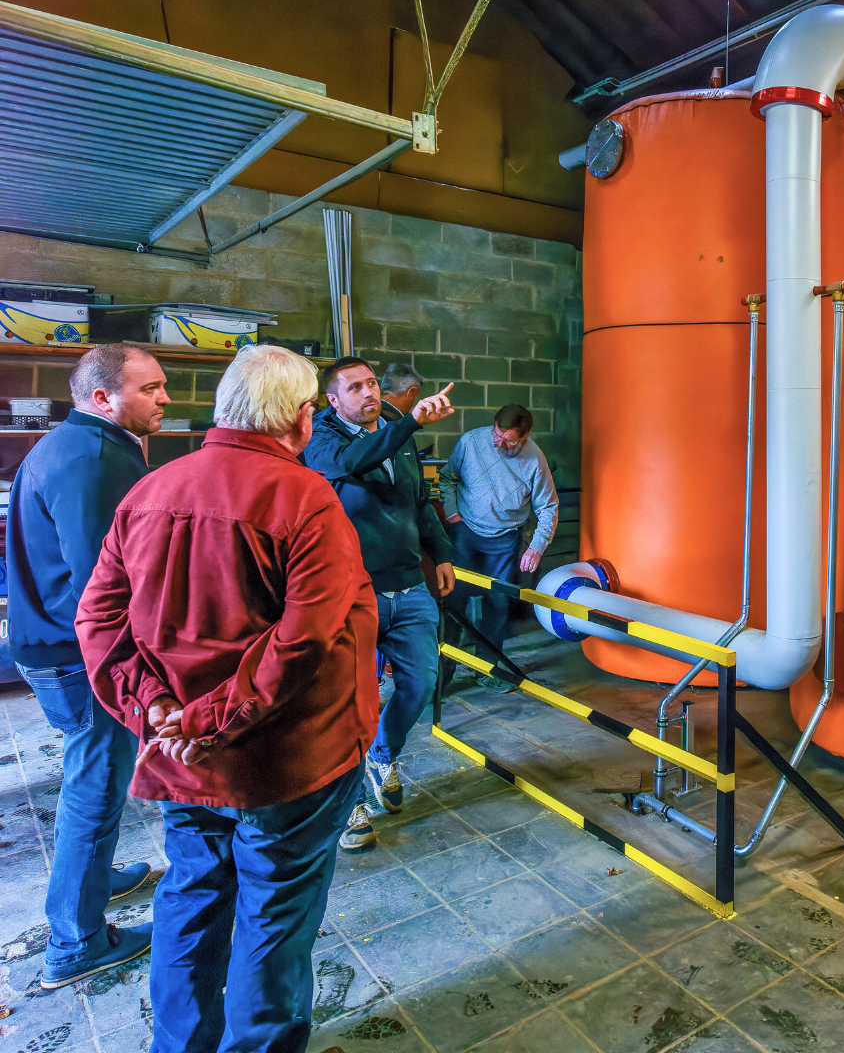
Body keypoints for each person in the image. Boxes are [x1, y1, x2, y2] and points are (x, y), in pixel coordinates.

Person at [75, 345, 379, 1053]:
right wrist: (211, 720)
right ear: (302, 419)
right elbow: (305, 639)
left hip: (183, 757)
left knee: (191, 897)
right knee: (273, 918)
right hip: (286, 761)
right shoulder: (305, 497)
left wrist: (152, 707)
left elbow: (97, 618)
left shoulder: (149, 490)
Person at [6, 342, 169, 989]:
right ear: (103, 398)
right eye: (150, 389)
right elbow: (102, 587)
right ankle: (75, 942)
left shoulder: (69, 445)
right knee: (95, 789)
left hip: (50, 643)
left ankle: (97, 879)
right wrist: (143, 671)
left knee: (96, 778)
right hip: (77, 657)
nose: (164, 399)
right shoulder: (93, 459)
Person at [302, 357, 456, 852]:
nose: (369, 393)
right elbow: (351, 463)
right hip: (353, 590)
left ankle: (382, 755)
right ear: (334, 399)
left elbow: (416, 501)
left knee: (422, 683)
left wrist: (442, 556)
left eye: (372, 383)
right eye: (355, 387)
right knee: (351, 700)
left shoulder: (396, 432)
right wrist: (411, 421)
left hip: (408, 584)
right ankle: (349, 806)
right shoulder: (321, 438)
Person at [440, 403, 559, 664]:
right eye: (497, 435)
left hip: (505, 539)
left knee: (498, 605)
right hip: (466, 532)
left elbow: (548, 506)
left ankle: (488, 668)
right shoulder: (471, 442)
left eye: (508, 441)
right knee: (453, 600)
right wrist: (452, 513)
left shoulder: (534, 460)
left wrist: (537, 546)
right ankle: (443, 672)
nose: (499, 444)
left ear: (524, 437)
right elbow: (447, 478)